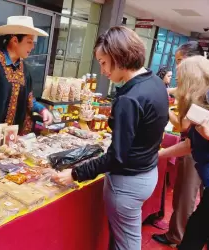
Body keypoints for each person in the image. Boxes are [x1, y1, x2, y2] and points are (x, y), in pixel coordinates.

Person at [53, 26, 169, 250]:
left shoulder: (129, 98)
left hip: (128, 182)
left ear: (119, 56)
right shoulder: (154, 82)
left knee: (126, 242)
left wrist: (75, 173)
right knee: (122, 237)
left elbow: (117, 157)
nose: (102, 69)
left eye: (104, 62)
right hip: (147, 171)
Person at [159, 55, 209, 250]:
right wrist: (159, 154)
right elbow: (191, 144)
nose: (179, 83)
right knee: (195, 231)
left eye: (181, 77)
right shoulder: (203, 101)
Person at [152, 41, 205, 247]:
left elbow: (183, 126)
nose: (176, 68)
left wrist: (164, 107)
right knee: (204, 197)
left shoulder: (195, 88)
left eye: (180, 62)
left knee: (184, 195)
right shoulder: (202, 83)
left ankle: (177, 236)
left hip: (195, 148)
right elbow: (174, 90)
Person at [0, 16, 53, 134]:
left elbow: (29, 100)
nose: (32, 47)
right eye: (29, 42)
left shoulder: (24, 69)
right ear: (14, 41)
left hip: (11, 139)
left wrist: (43, 110)